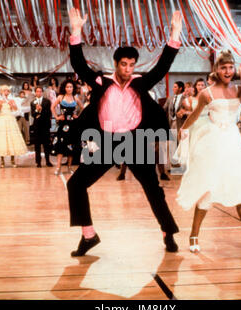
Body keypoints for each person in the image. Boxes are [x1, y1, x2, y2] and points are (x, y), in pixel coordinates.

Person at [65, 8, 182, 256]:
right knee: (76, 184)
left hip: (134, 142)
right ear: (116, 64)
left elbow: (163, 66)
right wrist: (76, 31)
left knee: (153, 190)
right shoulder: (101, 81)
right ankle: (88, 235)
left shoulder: (140, 81)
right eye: (124, 64)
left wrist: (175, 34)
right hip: (105, 141)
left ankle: (167, 232)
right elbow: (78, 63)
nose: (128, 68)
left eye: (131, 65)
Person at [177, 50, 241, 253]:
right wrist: (183, 129)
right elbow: (194, 115)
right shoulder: (206, 93)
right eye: (223, 68)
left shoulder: (238, 89)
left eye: (231, 67)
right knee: (208, 189)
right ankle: (194, 235)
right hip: (213, 142)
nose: (228, 71)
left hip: (232, 141)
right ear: (216, 70)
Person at [0, 85, 28, 168]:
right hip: (1, 120)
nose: (6, 92)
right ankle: (2, 161)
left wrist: (12, 104)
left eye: (7, 91)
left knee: (12, 139)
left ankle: (12, 160)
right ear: (1, 92)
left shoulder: (12, 100)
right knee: (2, 139)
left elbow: (16, 110)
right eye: (4, 91)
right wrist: (0, 103)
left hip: (10, 119)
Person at [50, 79, 83, 175]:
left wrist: (77, 116)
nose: (69, 88)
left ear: (73, 88)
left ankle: (69, 167)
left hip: (72, 125)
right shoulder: (60, 97)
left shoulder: (75, 98)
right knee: (61, 145)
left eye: (71, 87)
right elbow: (52, 107)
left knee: (71, 146)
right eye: (67, 87)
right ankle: (58, 167)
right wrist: (56, 116)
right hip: (63, 124)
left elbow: (83, 108)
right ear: (64, 88)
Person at [31, 86, 53, 168]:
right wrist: (37, 110)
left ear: (42, 92)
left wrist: (41, 110)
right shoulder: (32, 102)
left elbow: (48, 113)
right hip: (37, 126)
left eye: (40, 91)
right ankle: (38, 162)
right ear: (35, 92)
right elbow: (33, 114)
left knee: (46, 144)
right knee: (37, 145)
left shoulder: (47, 101)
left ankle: (48, 161)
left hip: (45, 125)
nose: (39, 93)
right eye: (37, 91)